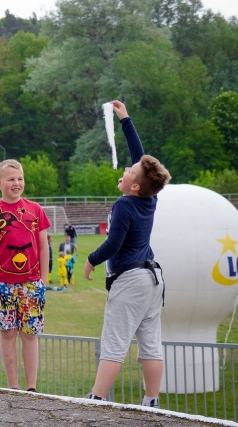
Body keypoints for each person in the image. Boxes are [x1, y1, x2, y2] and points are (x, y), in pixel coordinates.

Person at [83, 100, 171, 408]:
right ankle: (151, 400)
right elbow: (140, 159)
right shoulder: (148, 198)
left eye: (129, 171)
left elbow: (113, 246)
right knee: (150, 344)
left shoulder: (124, 204)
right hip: (153, 281)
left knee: (115, 342)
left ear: (134, 186)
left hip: (131, 280)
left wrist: (91, 259)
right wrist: (125, 119)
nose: (125, 169)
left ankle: (96, 398)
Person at [0, 159, 50, 392]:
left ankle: (31, 387)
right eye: (11, 179)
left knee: (29, 335)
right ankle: (13, 386)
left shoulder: (35, 209)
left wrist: (44, 280)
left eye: (20, 179)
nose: (16, 183)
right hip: (1, 285)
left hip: (31, 284)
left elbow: (44, 246)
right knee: (7, 334)